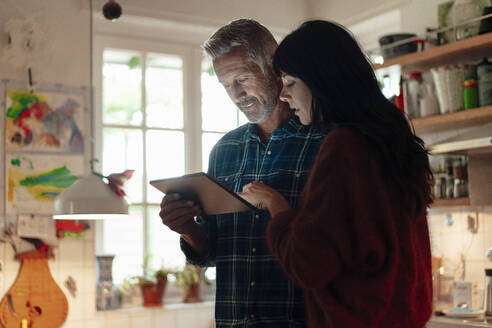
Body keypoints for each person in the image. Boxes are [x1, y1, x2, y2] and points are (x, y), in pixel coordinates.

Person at [240, 20, 433, 328]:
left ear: (321, 81)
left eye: (290, 83)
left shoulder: (345, 147)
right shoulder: (393, 138)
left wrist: (275, 205)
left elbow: (307, 262)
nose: (284, 97)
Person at [159, 19, 325, 327]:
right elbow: (212, 253)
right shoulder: (224, 150)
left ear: (274, 68)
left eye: (242, 79)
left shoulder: (324, 142)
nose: (236, 95)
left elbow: (331, 247)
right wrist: (187, 229)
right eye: (226, 86)